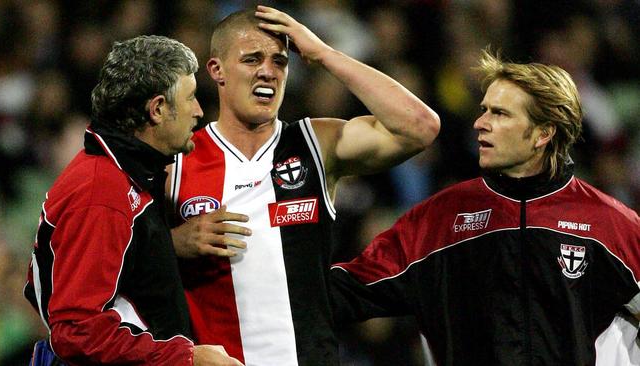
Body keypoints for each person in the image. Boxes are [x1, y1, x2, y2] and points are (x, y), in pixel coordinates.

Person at [168, 5, 440, 365]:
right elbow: (114, 259)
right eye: (252, 59)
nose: (268, 71)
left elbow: (420, 126)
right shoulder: (176, 159)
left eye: (279, 61)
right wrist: (173, 243)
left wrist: (325, 54)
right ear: (217, 70)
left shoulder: (316, 143)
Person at [330, 49, 640, 365]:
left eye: (500, 113)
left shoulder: (612, 225)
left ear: (543, 133)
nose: (480, 123)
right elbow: (340, 293)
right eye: (484, 110)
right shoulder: (441, 219)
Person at [24, 35, 242, 366]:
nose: (199, 111)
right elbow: (76, 330)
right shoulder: (102, 193)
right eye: (191, 98)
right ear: (157, 109)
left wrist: (167, 245)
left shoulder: (129, 173)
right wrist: (187, 358)